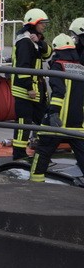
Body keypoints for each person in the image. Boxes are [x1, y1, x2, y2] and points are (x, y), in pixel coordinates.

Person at [30, 33, 84, 182]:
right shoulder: (81, 68)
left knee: (42, 151)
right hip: (77, 124)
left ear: (56, 50)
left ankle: (35, 183)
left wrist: (53, 113)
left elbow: (59, 92)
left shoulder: (58, 65)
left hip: (58, 121)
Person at [11, 8, 51, 161]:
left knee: (44, 121)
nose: (44, 26)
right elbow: (23, 66)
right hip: (25, 90)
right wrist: (29, 88)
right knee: (24, 122)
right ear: (33, 23)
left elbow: (48, 53)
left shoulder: (33, 41)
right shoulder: (24, 42)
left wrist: (39, 41)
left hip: (36, 90)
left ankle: (43, 151)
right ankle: (19, 154)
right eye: (42, 23)